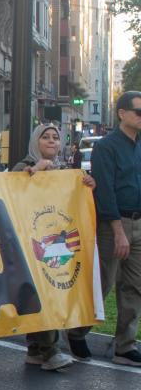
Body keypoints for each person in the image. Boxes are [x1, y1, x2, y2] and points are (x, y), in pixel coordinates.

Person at [13, 122, 95, 371]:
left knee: (53, 289)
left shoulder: (64, 170)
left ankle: (35, 349)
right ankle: (50, 351)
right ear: (35, 142)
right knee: (42, 293)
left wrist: (87, 185)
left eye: (55, 138)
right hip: (32, 238)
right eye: (45, 137)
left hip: (55, 240)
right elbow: (12, 188)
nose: (51, 141)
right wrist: (35, 170)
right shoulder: (22, 166)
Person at [67, 92, 141, 365]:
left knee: (135, 286)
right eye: (138, 112)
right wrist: (119, 230)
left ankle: (125, 346)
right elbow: (106, 191)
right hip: (114, 223)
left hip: (139, 220)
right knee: (104, 282)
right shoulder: (106, 146)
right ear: (122, 113)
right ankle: (77, 331)